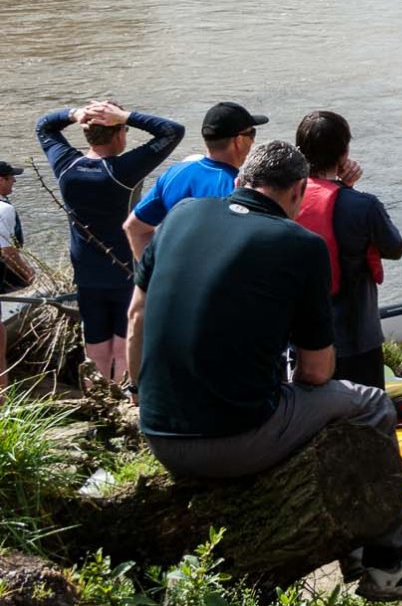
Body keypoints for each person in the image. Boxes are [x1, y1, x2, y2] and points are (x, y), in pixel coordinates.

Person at [130, 141, 402, 601]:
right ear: (298, 190)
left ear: (239, 181)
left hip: (157, 433)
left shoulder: (181, 216)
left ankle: (352, 549)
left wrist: (137, 394)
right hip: (234, 442)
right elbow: (315, 372)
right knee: (371, 403)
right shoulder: (300, 245)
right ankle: (388, 566)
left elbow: (136, 317)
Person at [34, 100, 184, 383]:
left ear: (86, 133)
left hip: (87, 274)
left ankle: (99, 398)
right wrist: (126, 115)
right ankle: (120, 397)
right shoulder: (123, 171)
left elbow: (44, 125)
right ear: (119, 134)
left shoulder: (67, 166)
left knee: (96, 347)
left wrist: (73, 114)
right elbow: (172, 131)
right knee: (122, 345)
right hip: (124, 271)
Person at [294, 111, 402, 391]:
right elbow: (394, 248)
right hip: (357, 339)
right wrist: (348, 188)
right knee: (364, 419)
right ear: (344, 153)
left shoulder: (286, 200)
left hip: (301, 340)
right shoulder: (363, 205)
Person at [125, 101, 267, 258]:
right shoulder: (236, 187)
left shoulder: (174, 173)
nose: (253, 141)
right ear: (238, 141)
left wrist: (154, 272)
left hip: (173, 279)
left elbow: (135, 228)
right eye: (251, 133)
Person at [0, 161, 28, 391]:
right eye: (10, 177)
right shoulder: (4, 209)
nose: (14, 181)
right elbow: (7, 251)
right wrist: (28, 273)